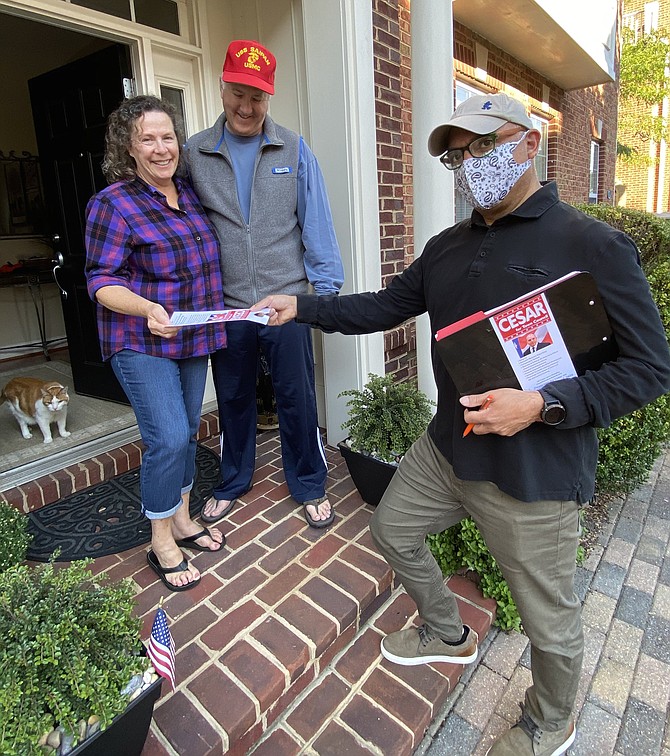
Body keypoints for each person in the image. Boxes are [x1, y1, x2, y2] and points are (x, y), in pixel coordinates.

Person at [255, 92, 670, 755]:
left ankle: (550, 721)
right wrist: (300, 307)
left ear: (529, 143)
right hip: (448, 450)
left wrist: (541, 404)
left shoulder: (591, 244)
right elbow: (385, 305)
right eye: (457, 153)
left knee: (549, 623)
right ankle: (445, 631)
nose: (469, 162)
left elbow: (650, 369)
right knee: (392, 529)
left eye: (484, 144)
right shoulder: (447, 247)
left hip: (532, 477)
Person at [184, 39, 344, 529]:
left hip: (287, 300)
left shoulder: (293, 148)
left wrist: (326, 292)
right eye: (238, 94)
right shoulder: (194, 151)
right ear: (222, 87)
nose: (247, 107)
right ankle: (233, 479)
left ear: (268, 98)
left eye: (258, 97)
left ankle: (309, 481)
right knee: (233, 396)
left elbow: (315, 221)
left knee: (297, 395)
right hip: (227, 304)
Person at [85, 95, 227, 592]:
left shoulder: (187, 194)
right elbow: (101, 281)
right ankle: (161, 539)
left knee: (187, 430)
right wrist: (147, 309)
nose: (161, 147)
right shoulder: (113, 204)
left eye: (167, 136)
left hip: (191, 334)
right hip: (140, 340)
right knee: (167, 436)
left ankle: (184, 518)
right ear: (128, 147)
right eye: (147, 138)